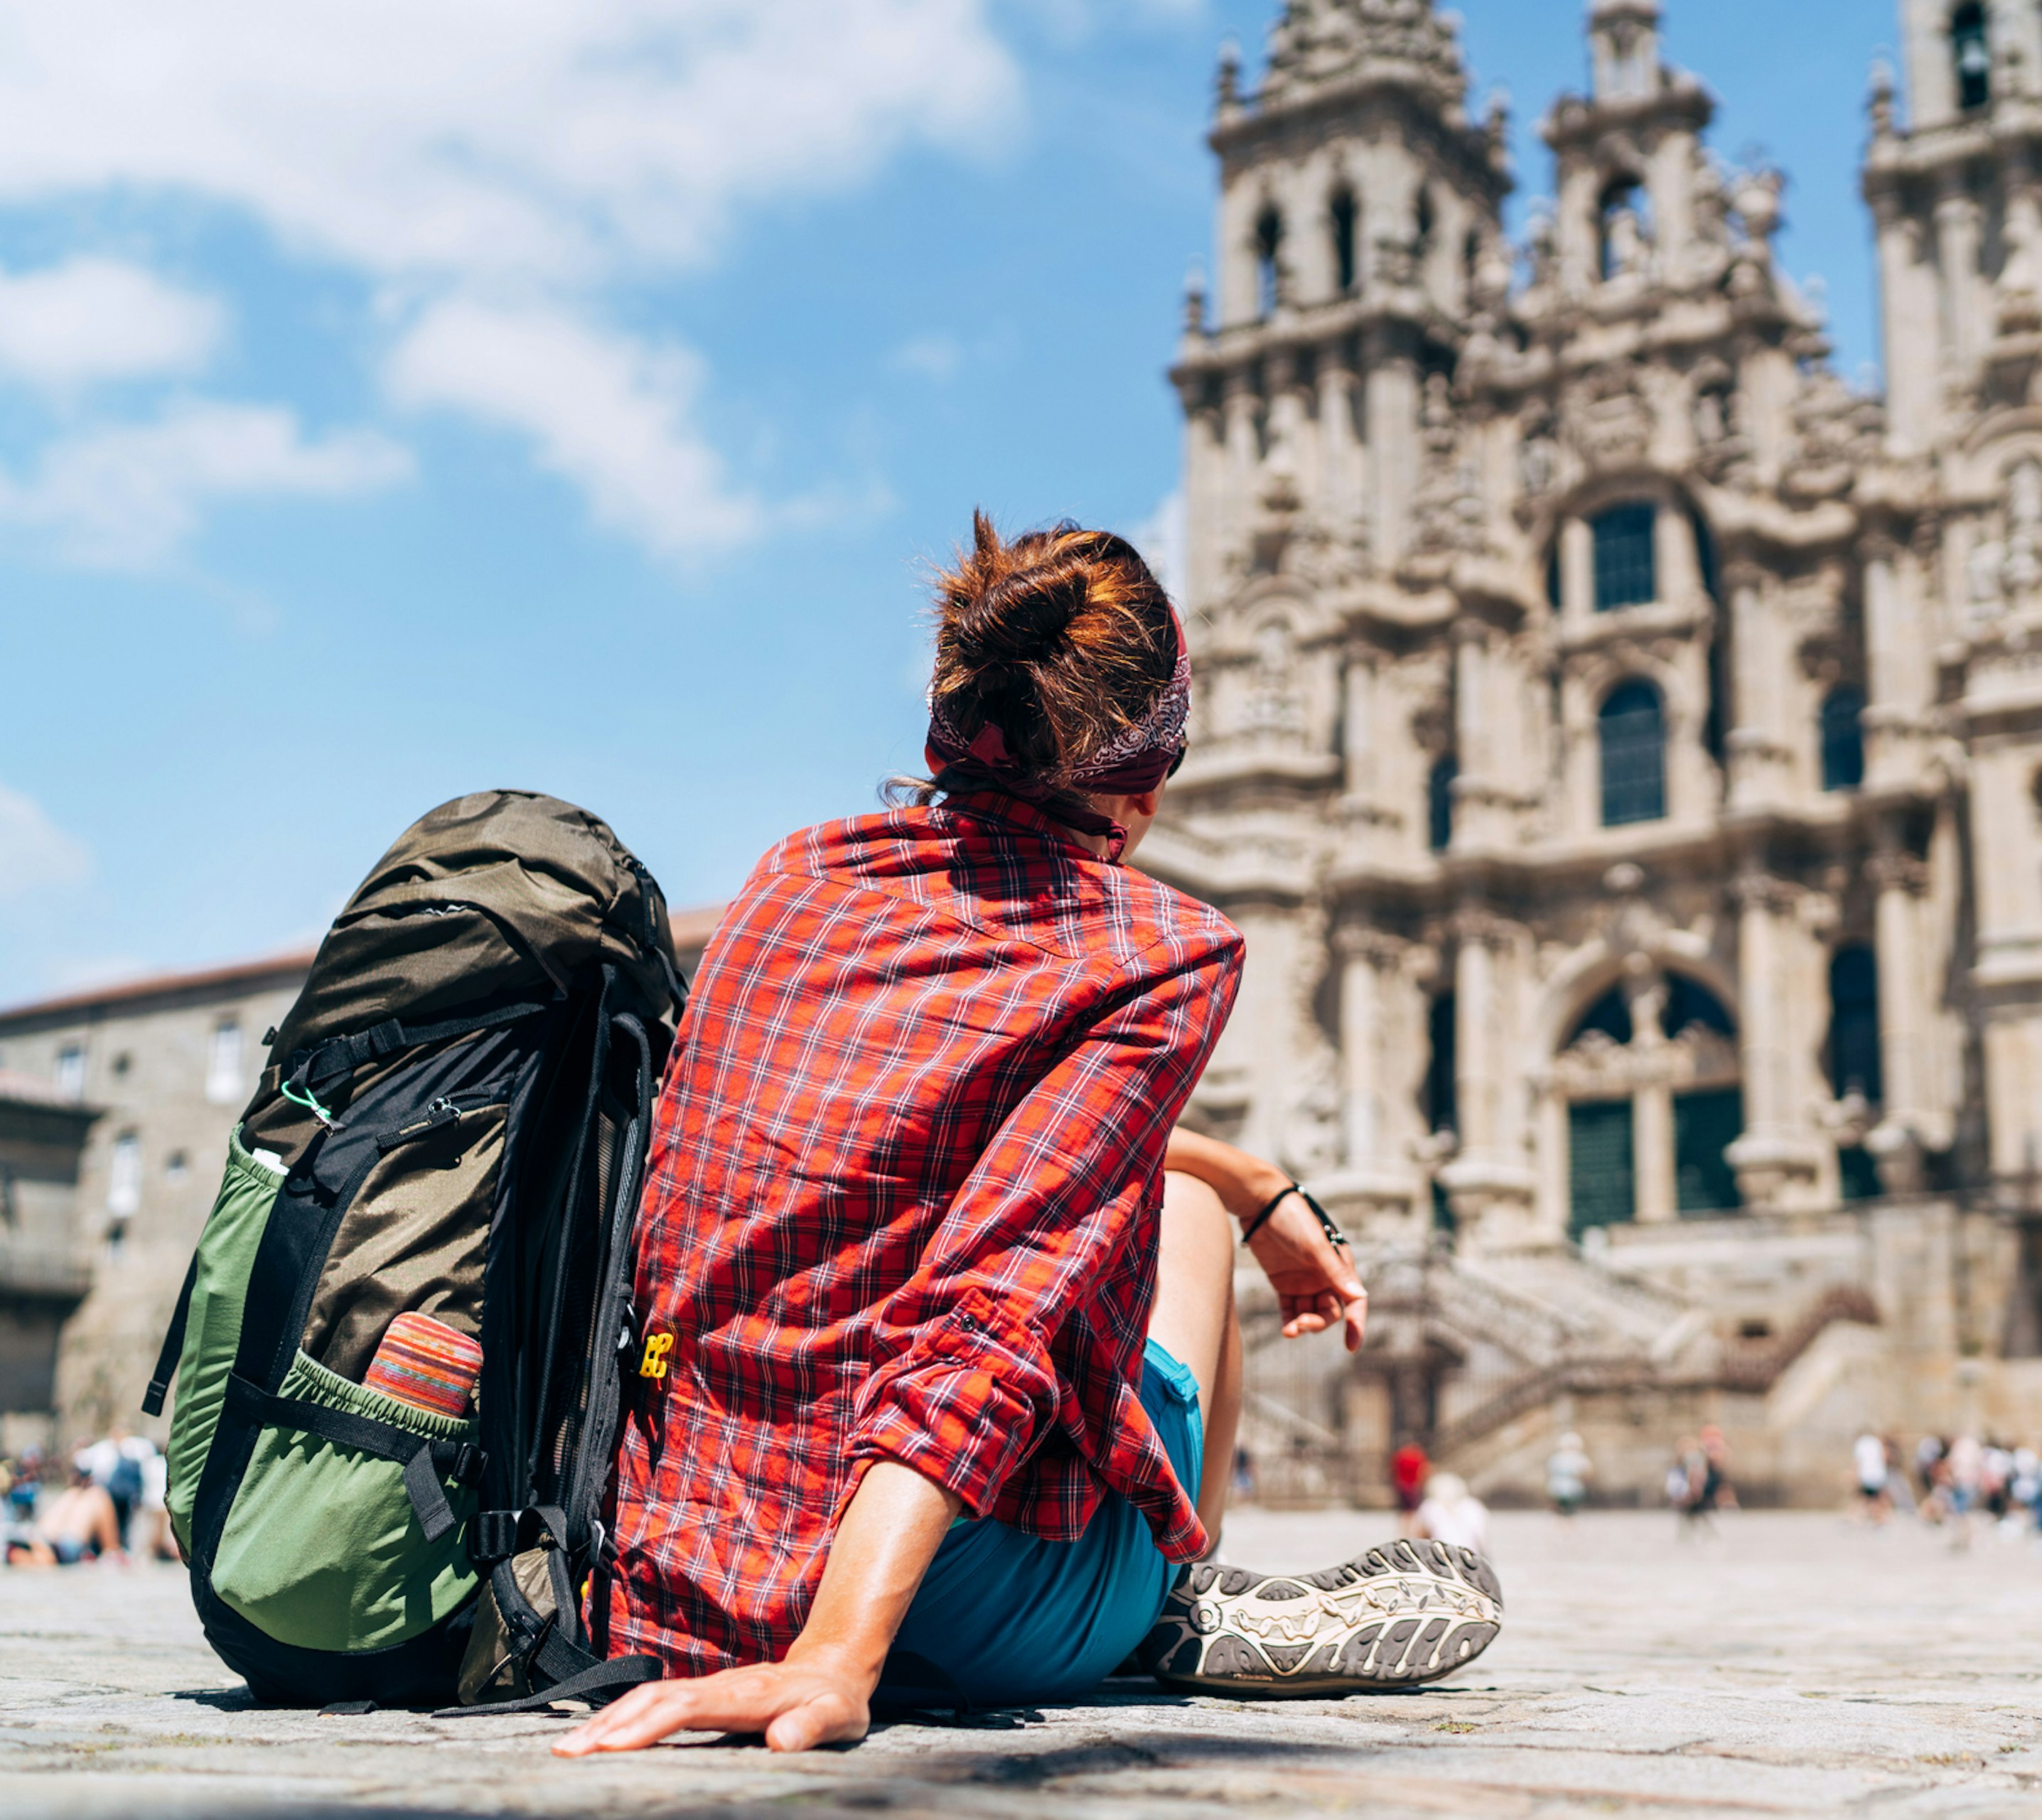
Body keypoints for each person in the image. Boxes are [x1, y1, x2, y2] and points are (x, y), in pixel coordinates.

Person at [561, 515, 1500, 1756]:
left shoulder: (793, 875)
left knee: (1194, 1188)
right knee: (1188, 1216)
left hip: (674, 1555)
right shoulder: (1159, 951)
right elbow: (990, 1312)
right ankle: (1168, 1586)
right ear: (1148, 777)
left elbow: (892, 1168)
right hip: (934, 1606)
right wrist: (838, 1657)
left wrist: (1242, 1162)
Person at [1409, 1474, 1490, 1557]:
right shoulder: (1474, 1506)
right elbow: (1482, 1539)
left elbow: (1419, 1537)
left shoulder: (1430, 1506)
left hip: (1441, 1558)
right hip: (1471, 1558)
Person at [1545, 1431, 1590, 1518]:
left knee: (1569, 1506)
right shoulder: (1558, 1457)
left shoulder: (1578, 1457)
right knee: (1562, 1505)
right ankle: (1563, 1517)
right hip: (1561, 1486)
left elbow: (1586, 1470)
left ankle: (1567, 1518)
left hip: (1571, 1486)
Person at [1852, 1431, 1891, 1526]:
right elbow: (1884, 1457)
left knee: (1865, 1499)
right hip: (1879, 1475)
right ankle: (1881, 1519)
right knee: (1879, 1499)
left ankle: (1856, 1518)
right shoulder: (1877, 1442)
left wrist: (1855, 1476)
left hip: (1866, 1475)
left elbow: (1857, 1462)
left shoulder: (1860, 1443)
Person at [1390, 1441, 1431, 1516]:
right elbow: (1423, 1471)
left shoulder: (1400, 1456)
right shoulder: (1418, 1457)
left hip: (1403, 1485)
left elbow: (1394, 1470)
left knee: (1405, 1510)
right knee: (1414, 1510)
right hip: (1413, 1486)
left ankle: (1406, 1526)